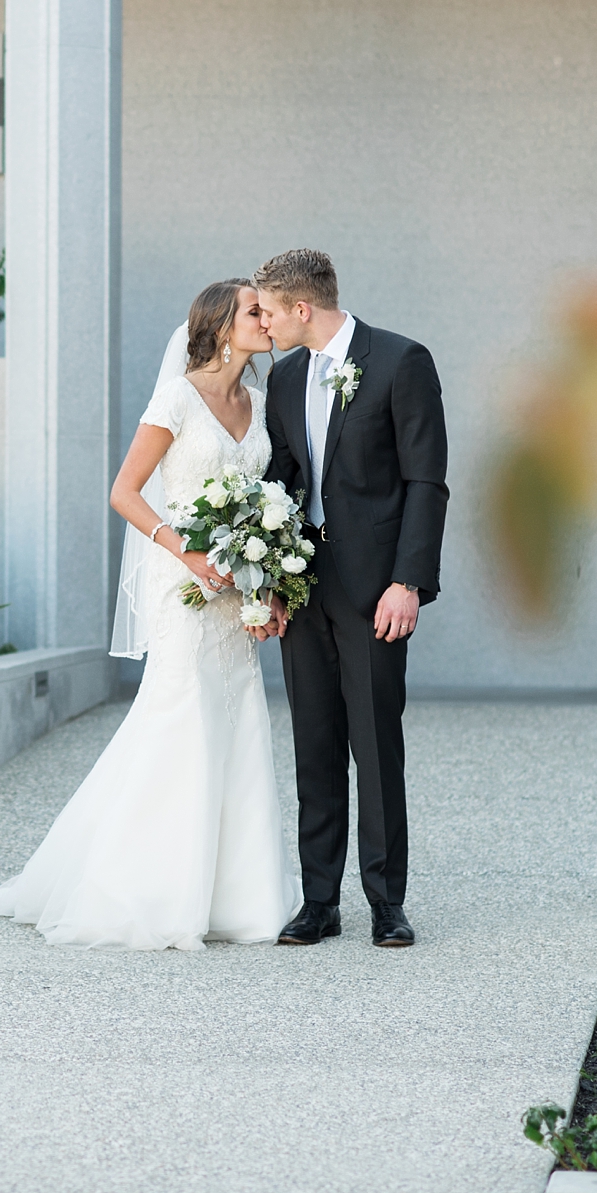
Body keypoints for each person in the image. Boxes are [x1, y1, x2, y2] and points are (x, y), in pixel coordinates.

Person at [0, 279, 291, 949]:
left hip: (235, 593)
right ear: (222, 327)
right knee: (180, 718)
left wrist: (268, 586)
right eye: (255, 311)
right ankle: (143, 890)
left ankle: (240, 898)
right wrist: (188, 550)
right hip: (186, 585)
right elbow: (125, 492)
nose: (268, 319)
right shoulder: (176, 399)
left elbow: (265, 502)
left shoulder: (258, 402)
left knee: (236, 721)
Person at [252, 249, 448, 950]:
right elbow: (281, 480)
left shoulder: (400, 361)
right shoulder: (284, 377)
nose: (262, 324)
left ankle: (387, 903)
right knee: (314, 743)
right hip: (305, 585)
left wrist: (409, 582)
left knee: (375, 743)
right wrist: (268, 582)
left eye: (269, 312)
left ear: (301, 309)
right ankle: (318, 901)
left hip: (375, 591)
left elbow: (427, 481)